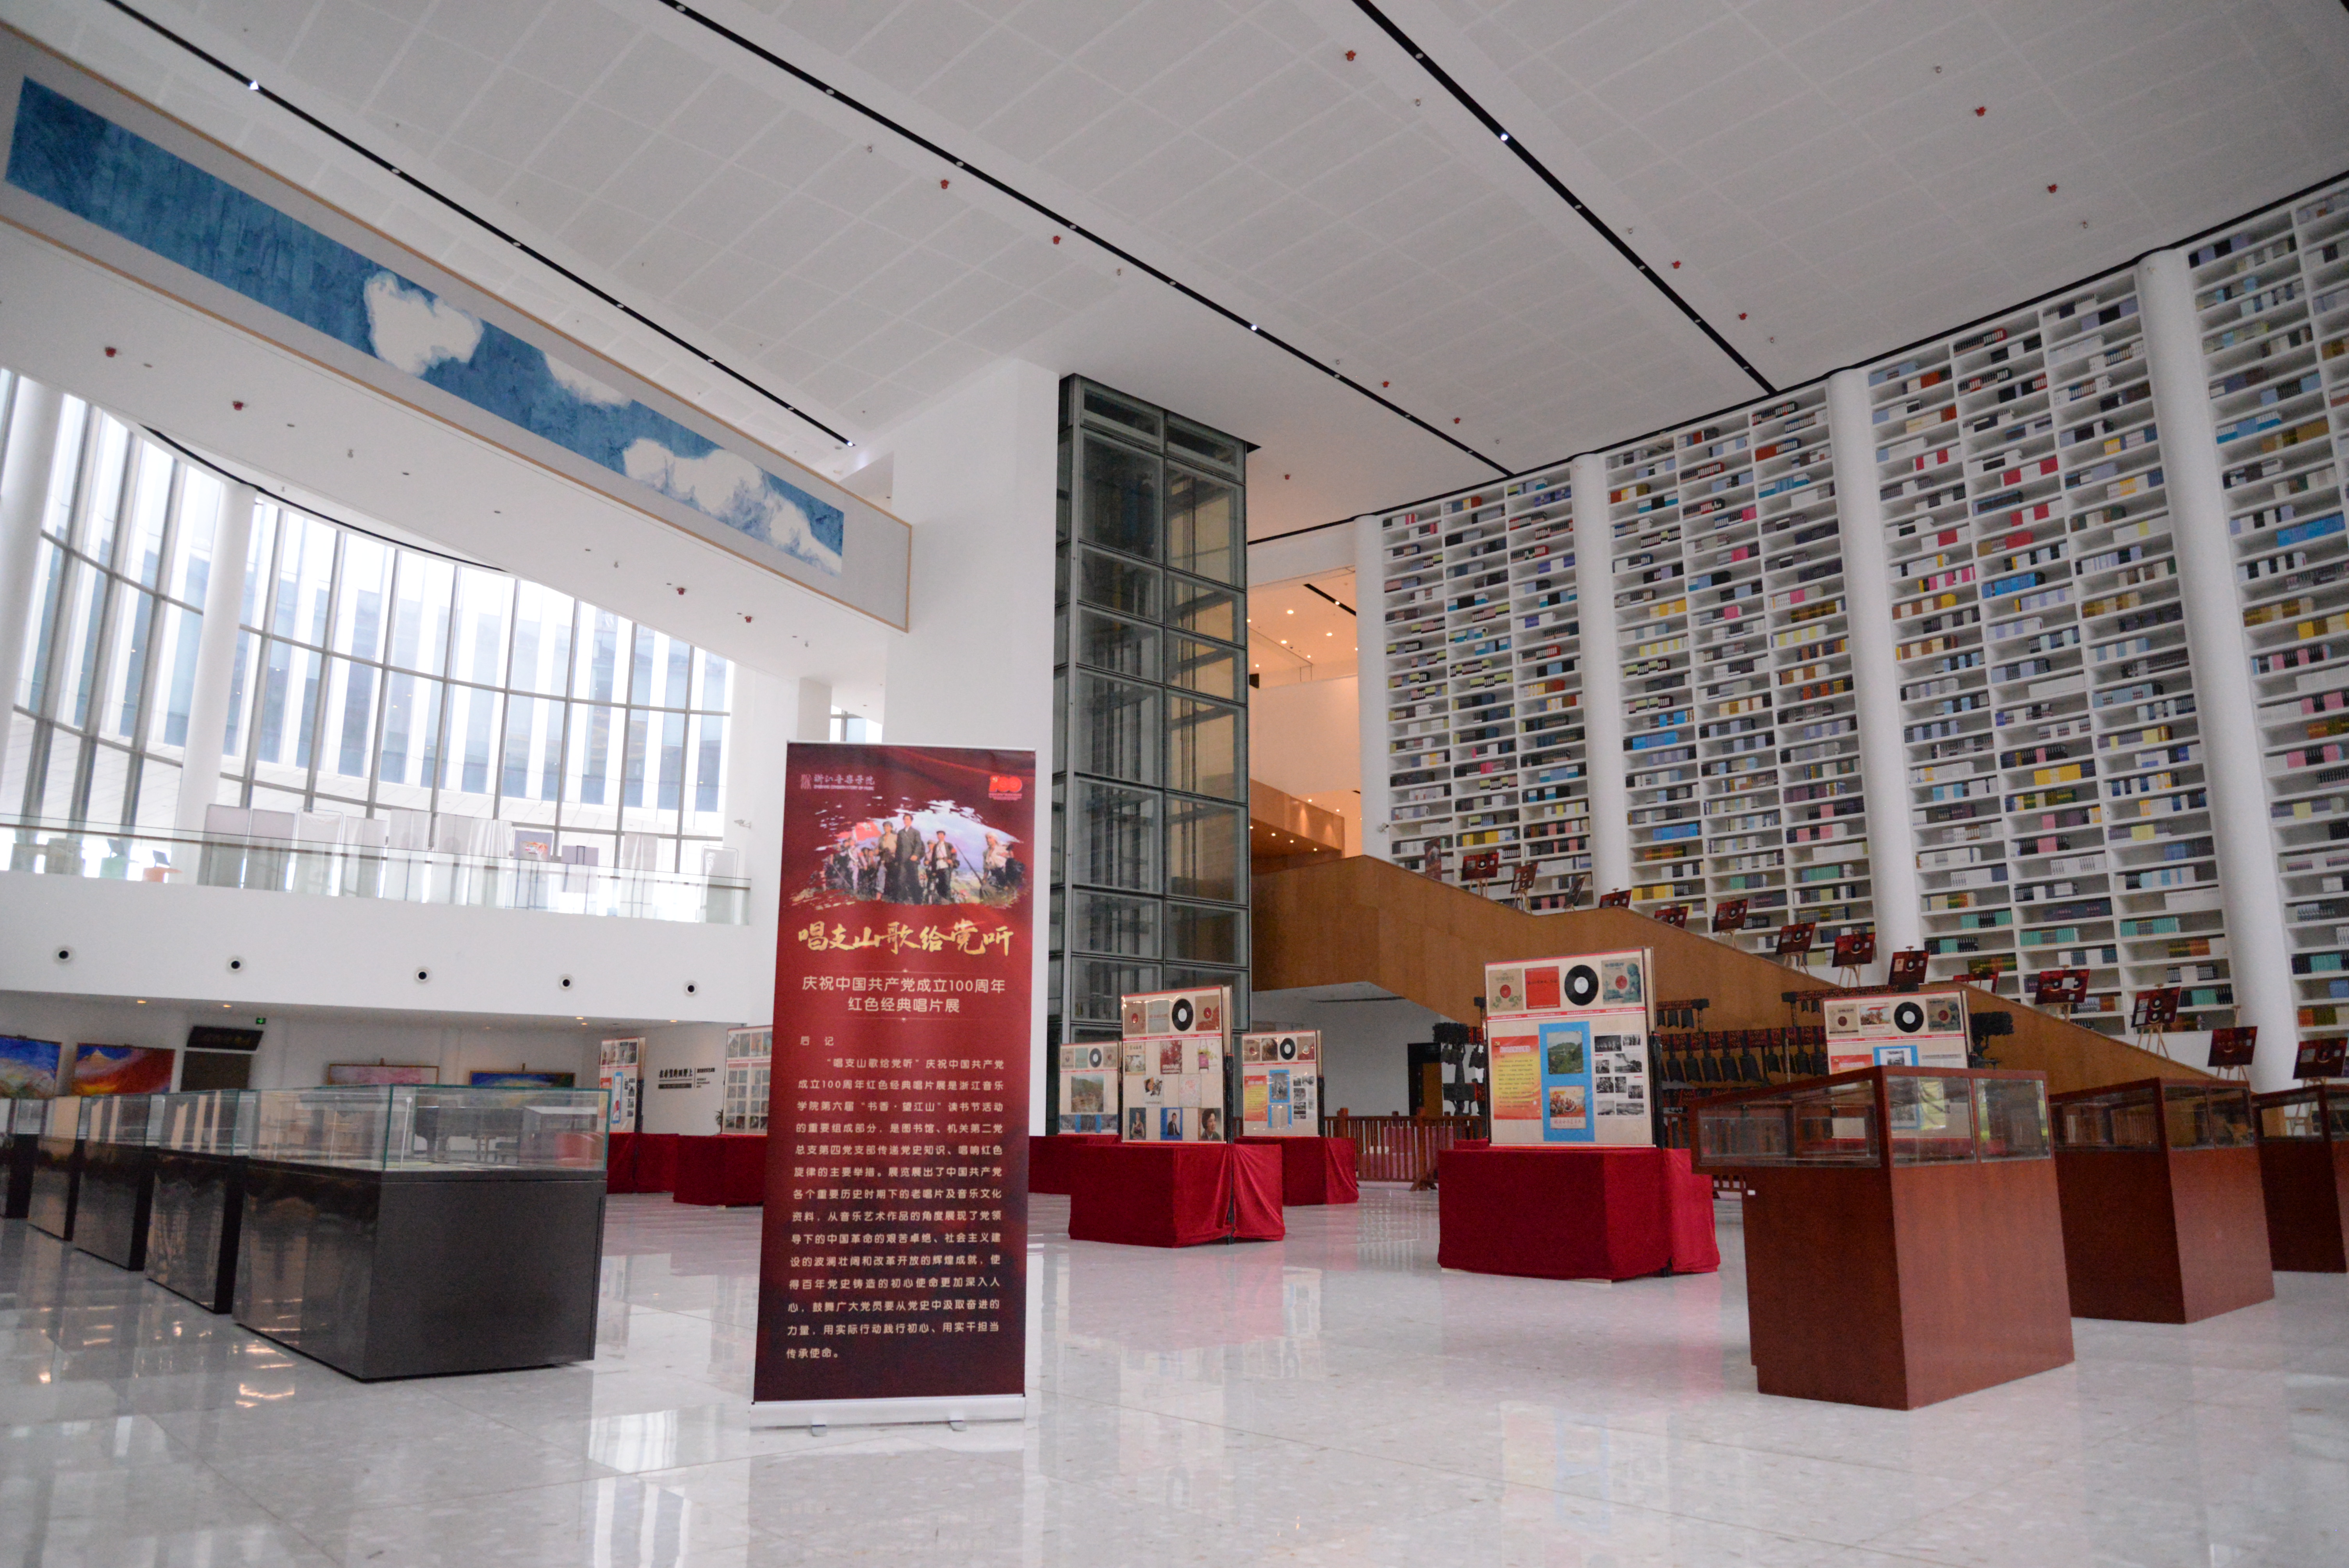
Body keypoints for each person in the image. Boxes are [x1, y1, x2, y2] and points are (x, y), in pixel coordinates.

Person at [927, 830, 960, 903]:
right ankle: (942, 901)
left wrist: (951, 860)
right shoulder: (936, 846)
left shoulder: (949, 845)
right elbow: (933, 859)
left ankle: (948, 902)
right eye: (938, 835)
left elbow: (955, 854)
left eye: (941, 835)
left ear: (944, 836)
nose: (940, 836)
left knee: (947, 885)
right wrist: (934, 871)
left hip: (946, 867)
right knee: (939, 885)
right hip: (938, 867)